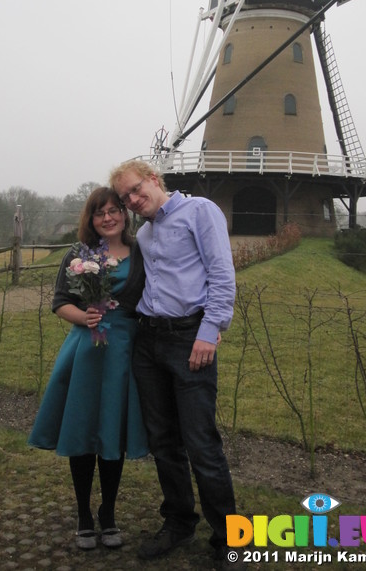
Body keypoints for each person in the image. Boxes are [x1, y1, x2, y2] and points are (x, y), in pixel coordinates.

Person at [110, 160, 245, 570]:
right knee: (164, 442)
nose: (133, 200)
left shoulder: (200, 211)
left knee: (201, 442)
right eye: (125, 198)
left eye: (135, 189)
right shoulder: (147, 234)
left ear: (153, 178)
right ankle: (179, 521)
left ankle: (230, 538)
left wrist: (210, 329)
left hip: (190, 339)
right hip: (149, 342)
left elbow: (222, 273)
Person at [28, 187, 148, 550]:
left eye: (114, 210)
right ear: (91, 219)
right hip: (85, 350)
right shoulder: (78, 254)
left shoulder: (142, 253)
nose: (108, 217)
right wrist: (85, 316)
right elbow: (60, 302)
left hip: (123, 353)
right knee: (82, 430)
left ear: (125, 214)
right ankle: (84, 516)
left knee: (112, 432)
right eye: (100, 213)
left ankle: (108, 514)